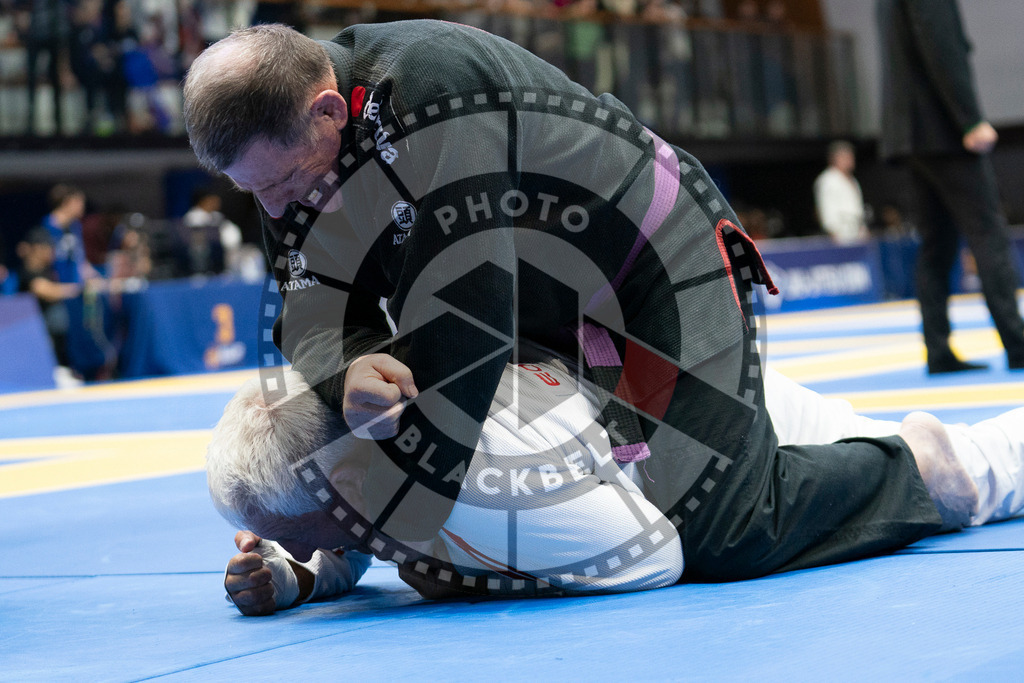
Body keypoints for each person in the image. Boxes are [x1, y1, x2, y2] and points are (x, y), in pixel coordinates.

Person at [184, 21, 948, 584]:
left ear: (327, 111)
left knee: (723, 527)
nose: (279, 207)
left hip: (654, 272)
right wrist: (343, 370)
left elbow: (470, 320)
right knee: (637, 472)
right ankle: (749, 432)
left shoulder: (433, 89)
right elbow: (307, 304)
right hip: (546, 307)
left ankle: (912, 466)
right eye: (256, 193)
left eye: (281, 184)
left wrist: (397, 528)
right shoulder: (281, 147)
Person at [207, 359, 1024, 615]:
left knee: (963, 479)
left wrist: (461, 577)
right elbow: (355, 521)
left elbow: (656, 553)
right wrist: (301, 573)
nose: (293, 537)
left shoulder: (486, 502)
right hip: (648, 396)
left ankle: (926, 459)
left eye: (294, 529)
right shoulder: (358, 425)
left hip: (718, 436)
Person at [877, 0, 1024, 374]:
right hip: (942, 130)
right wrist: (970, 119)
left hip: (911, 132)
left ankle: (938, 349)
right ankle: (1017, 342)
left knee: (936, 244)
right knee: (987, 234)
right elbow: (939, 43)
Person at [15, 227, 82, 367]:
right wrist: (76, 289)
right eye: (48, 247)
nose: (52, 251)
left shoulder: (48, 270)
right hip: (31, 327)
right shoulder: (28, 271)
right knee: (56, 315)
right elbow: (44, 290)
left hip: (50, 329)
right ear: (38, 248)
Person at [40, 183, 102, 286]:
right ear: (66, 202)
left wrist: (96, 277)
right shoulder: (46, 228)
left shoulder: (75, 227)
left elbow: (80, 258)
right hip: (57, 290)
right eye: (79, 201)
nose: (82, 206)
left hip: (75, 289)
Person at [813, 140, 867, 245]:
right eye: (847, 157)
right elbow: (826, 210)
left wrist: (863, 229)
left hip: (857, 235)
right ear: (836, 158)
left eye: (851, 157)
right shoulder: (828, 180)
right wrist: (834, 233)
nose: (851, 160)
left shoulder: (852, 180)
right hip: (840, 236)